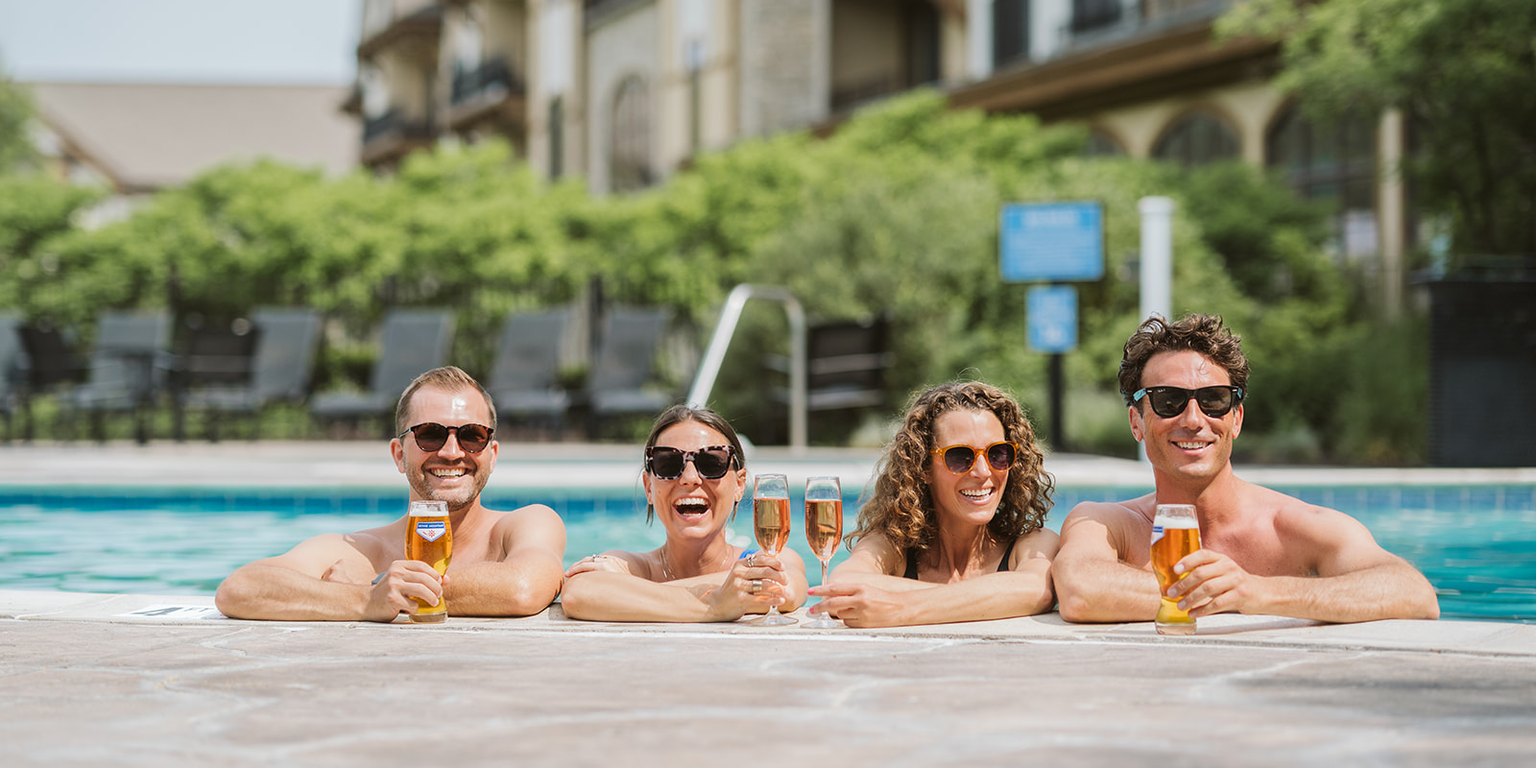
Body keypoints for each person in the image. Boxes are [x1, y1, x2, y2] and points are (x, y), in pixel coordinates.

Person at [1053, 314, 1439, 625]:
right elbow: (1081, 591)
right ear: (1137, 422)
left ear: (1235, 419)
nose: (1193, 419)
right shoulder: (1107, 524)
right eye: (1169, 400)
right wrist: (1219, 593)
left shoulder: (1295, 527)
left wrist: (1256, 592)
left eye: (1214, 400)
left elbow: (1413, 591)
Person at [215, 366, 567, 621]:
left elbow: (524, 587)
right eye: (430, 434)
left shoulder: (525, 523)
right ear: (399, 455)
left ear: (491, 454)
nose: (451, 451)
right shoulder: (362, 549)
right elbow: (240, 589)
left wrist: (381, 586)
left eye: (472, 435)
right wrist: (363, 600)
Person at [807, 381, 1059, 628]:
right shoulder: (892, 547)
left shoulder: (1033, 544)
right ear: (923, 468)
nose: (983, 472)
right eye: (960, 456)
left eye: (998, 454)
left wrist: (902, 607)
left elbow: (1038, 589)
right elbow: (841, 587)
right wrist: (994, 596)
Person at [560, 404, 808, 622]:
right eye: (668, 463)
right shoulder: (632, 565)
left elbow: (786, 587)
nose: (690, 479)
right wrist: (713, 604)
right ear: (649, 487)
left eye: (712, 463)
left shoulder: (774, 555)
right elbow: (578, 592)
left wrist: (629, 590)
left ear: (739, 485)